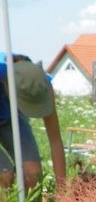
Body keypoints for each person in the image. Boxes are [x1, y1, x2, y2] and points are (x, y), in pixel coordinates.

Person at [0, 54, 65, 191]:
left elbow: (55, 140)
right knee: (4, 175)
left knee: (32, 173)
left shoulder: (41, 84)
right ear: (7, 84)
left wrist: (62, 192)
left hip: (11, 118)